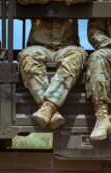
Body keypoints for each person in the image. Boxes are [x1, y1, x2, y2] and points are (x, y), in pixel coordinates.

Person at [18, 0, 89, 129]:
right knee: (27, 57)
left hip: (67, 45)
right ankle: (52, 110)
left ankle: (48, 107)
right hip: (38, 45)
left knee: (77, 55)